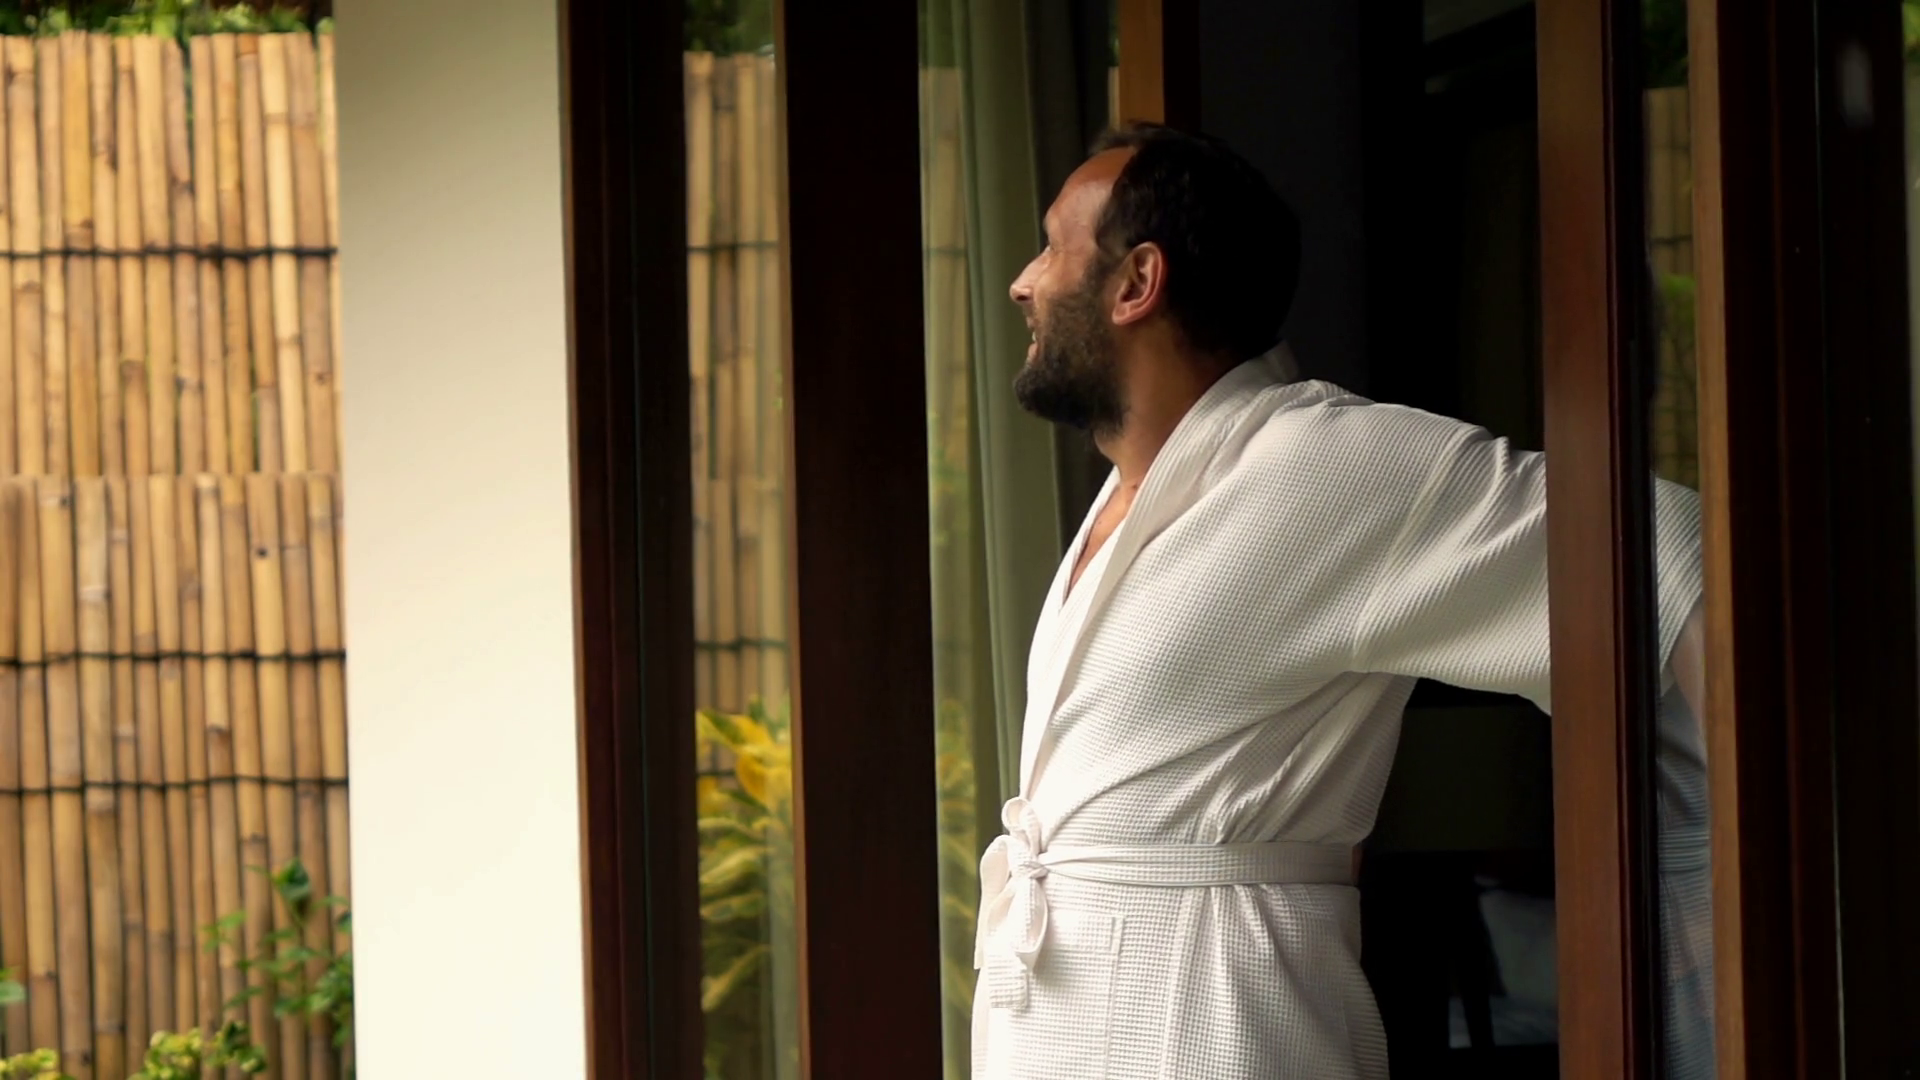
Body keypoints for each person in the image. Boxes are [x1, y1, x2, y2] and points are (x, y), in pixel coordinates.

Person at [970, 122, 1709, 1079]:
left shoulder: (1324, 466)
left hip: (1224, 1035)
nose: (1023, 282)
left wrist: (1700, 885)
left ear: (1136, 282)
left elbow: (1671, 553)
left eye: (1050, 248)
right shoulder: (1126, 495)